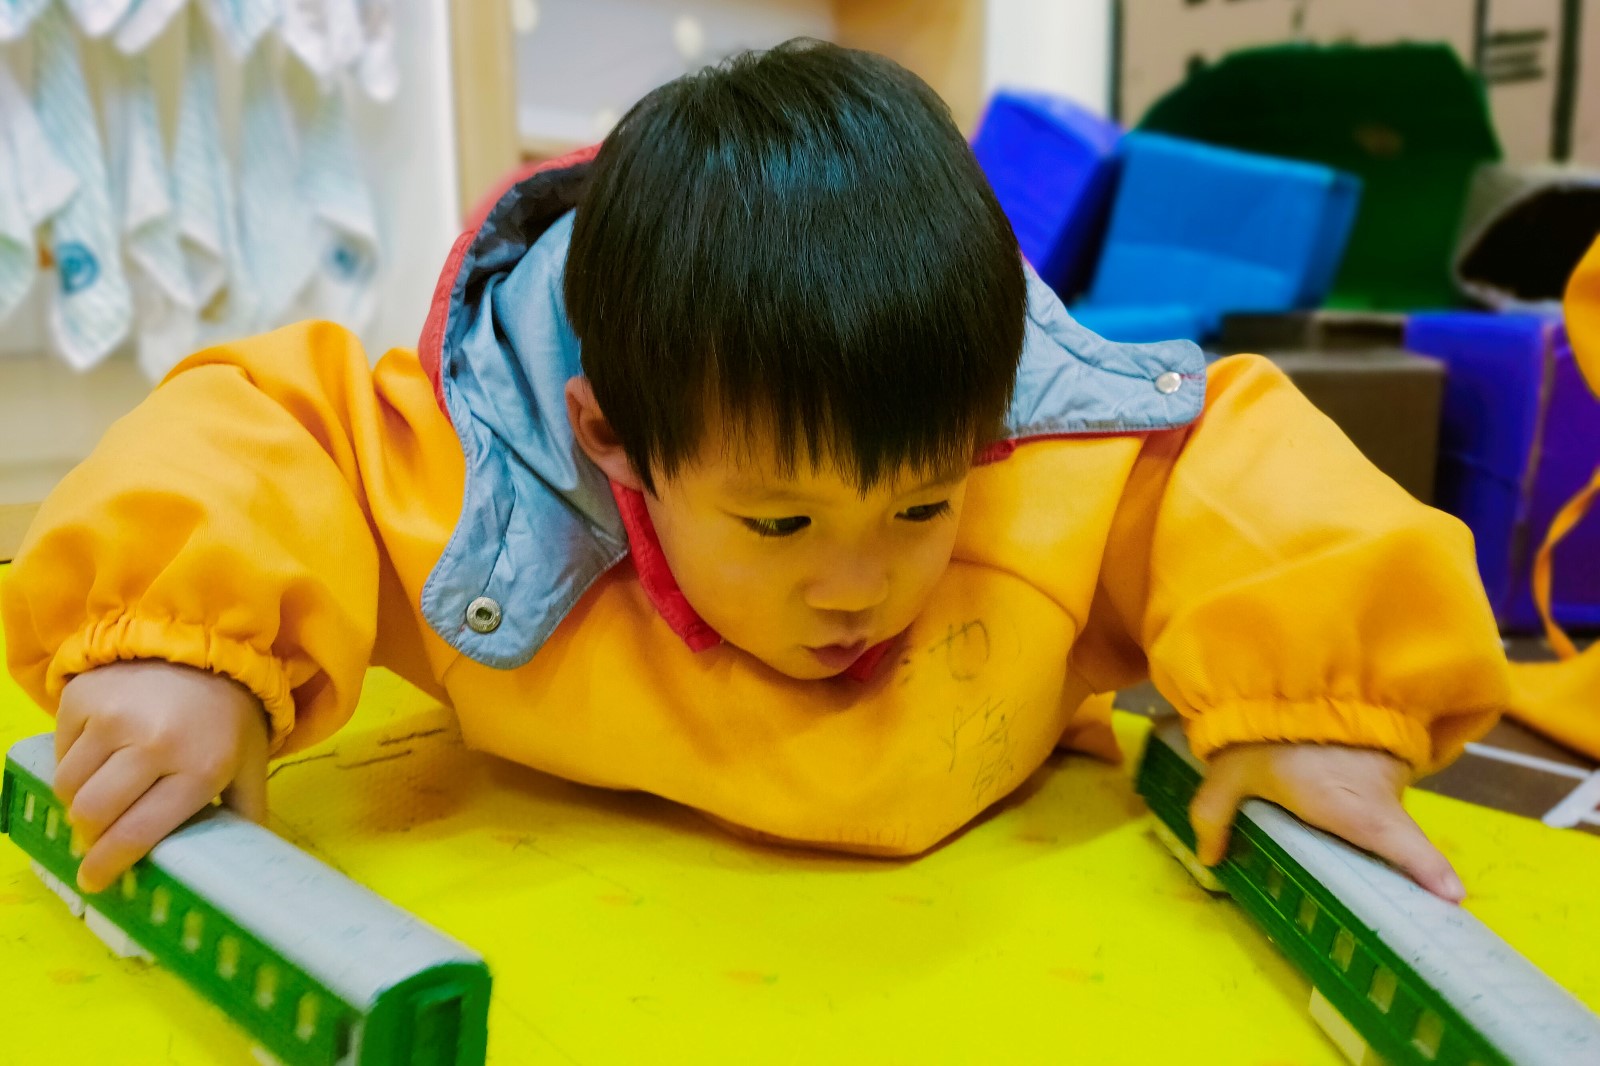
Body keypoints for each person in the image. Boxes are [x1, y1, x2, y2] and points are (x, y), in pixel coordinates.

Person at [4, 40, 1518, 902]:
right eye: (780, 520)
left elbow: (1231, 466)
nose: (860, 585)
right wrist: (180, 643)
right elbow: (274, 425)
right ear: (612, 440)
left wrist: (1316, 708)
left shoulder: (1043, 464)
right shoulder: (473, 485)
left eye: (923, 505)